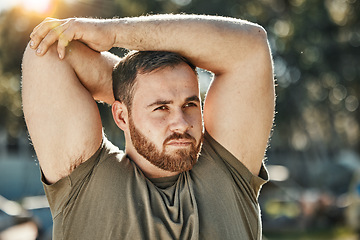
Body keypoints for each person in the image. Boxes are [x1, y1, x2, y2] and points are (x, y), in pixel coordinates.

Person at [22, 14, 275, 239]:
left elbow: (251, 45)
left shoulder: (228, 173)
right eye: (161, 108)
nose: (181, 123)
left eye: (189, 104)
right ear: (121, 117)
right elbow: (47, 49)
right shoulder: (86, 183)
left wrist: (114, 34)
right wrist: (129, 85)